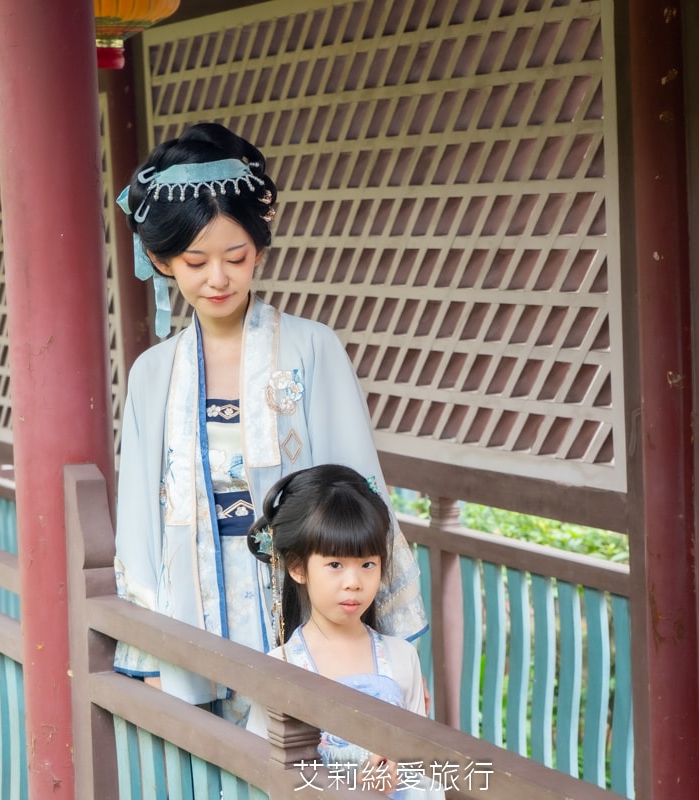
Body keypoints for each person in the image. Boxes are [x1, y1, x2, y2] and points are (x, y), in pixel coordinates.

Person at [112, 123, 427, 725]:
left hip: (303, 593)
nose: (217, 279)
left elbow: (358, 488)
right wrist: (146, 651)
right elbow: (138, 521)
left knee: (308, 759)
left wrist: (388, 646)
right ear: (160, 261)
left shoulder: (312, 349)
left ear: (259, 248)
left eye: (235, 257)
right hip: (191, 607)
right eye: (194, 261)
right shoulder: (154, 372)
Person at [244, 465, 444, 799]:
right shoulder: (280, 666)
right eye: (335, 565)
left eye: (367, 564)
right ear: (297, 567)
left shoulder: (401, 657)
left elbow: (424, 770)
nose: (353, 582)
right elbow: (259, 776)